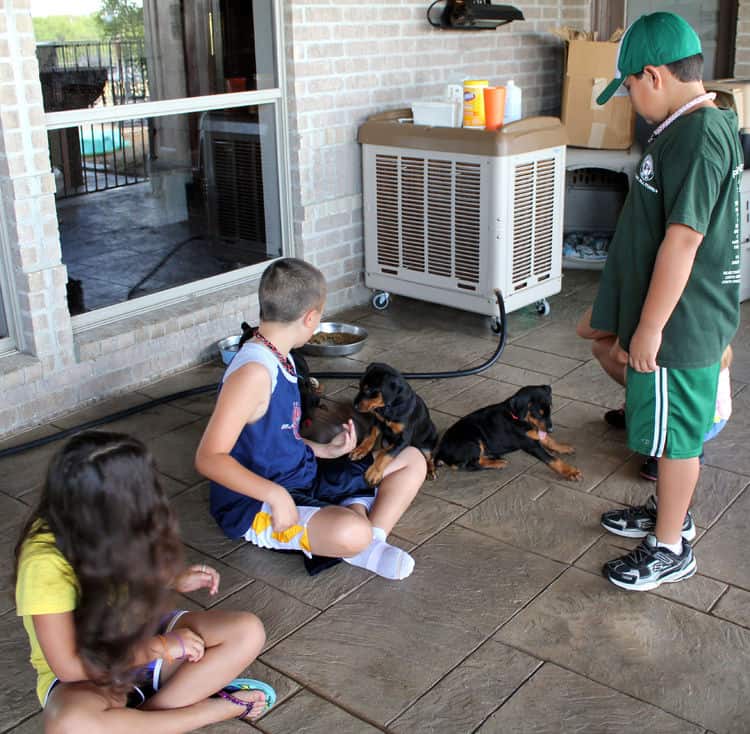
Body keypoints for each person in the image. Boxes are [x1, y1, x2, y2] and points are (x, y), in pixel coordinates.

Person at [577, 12, 742, 591]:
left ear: (652, 75)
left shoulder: (698, 136)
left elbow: (685, 238)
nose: (627, 97)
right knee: (672, 430)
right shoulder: (687, 126)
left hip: (682, 320)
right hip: (676, 315)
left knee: (677, 438)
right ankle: (671, 512)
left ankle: (671, 547)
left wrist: (649, 326)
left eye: (626, 86)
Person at [15, 431, 274, 733]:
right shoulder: (43, 561)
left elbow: (125, 573)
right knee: (69, 724)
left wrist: (173, 580)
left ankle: (142, 719)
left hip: (139, 637)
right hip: (88, 679)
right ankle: (211, 710)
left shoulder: (114, 522)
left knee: (246, 631)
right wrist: (161, 646)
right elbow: (69, 667)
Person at [195, 258, 427, 581]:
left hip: (303, 473)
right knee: (351, 531)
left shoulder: (283, 355)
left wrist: (324, 450)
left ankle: (370, 541)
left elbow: (276, 438)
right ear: (310, 319)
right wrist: (275, 495)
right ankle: (359, 537)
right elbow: (208, 458)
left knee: (413, 459)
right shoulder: (252, 374)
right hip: (257, 504)